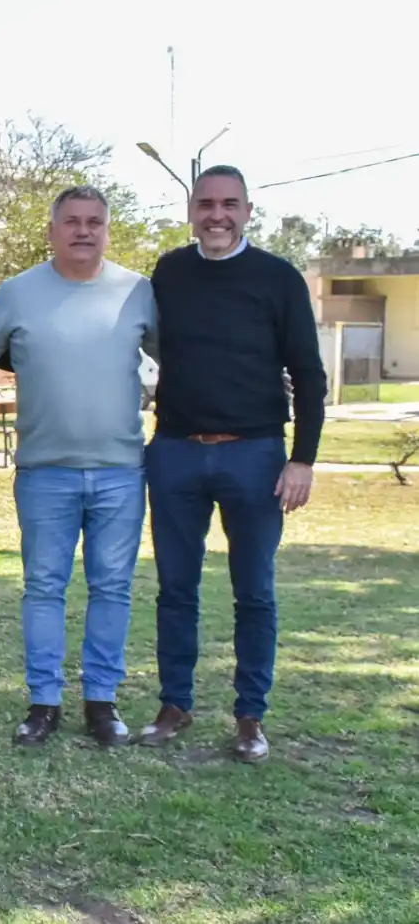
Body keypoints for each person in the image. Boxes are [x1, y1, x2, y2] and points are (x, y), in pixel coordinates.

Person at [137, 164, 326, 763]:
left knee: (255, 592)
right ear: (192, 211)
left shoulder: (278, 278)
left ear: (247, 211)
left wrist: (303, 460)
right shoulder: (168, 273)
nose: (216, 215)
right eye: (205, 204)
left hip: (256, 454)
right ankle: (175, 703)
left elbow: (310, 376)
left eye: (229, 204)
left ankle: (250, 715)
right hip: (174, 452)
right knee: (176, 588)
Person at [0, 186, 156, 748]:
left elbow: (186, 360)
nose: (83, 231)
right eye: (71, 221)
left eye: (94, 222)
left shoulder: (137, 292)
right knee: (44, 588)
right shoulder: (19, 294)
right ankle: (43, 702)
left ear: (107, 230)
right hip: (45, 472)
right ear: (52, 230)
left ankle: (102, 702)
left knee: (113, 588)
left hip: (121, 471)